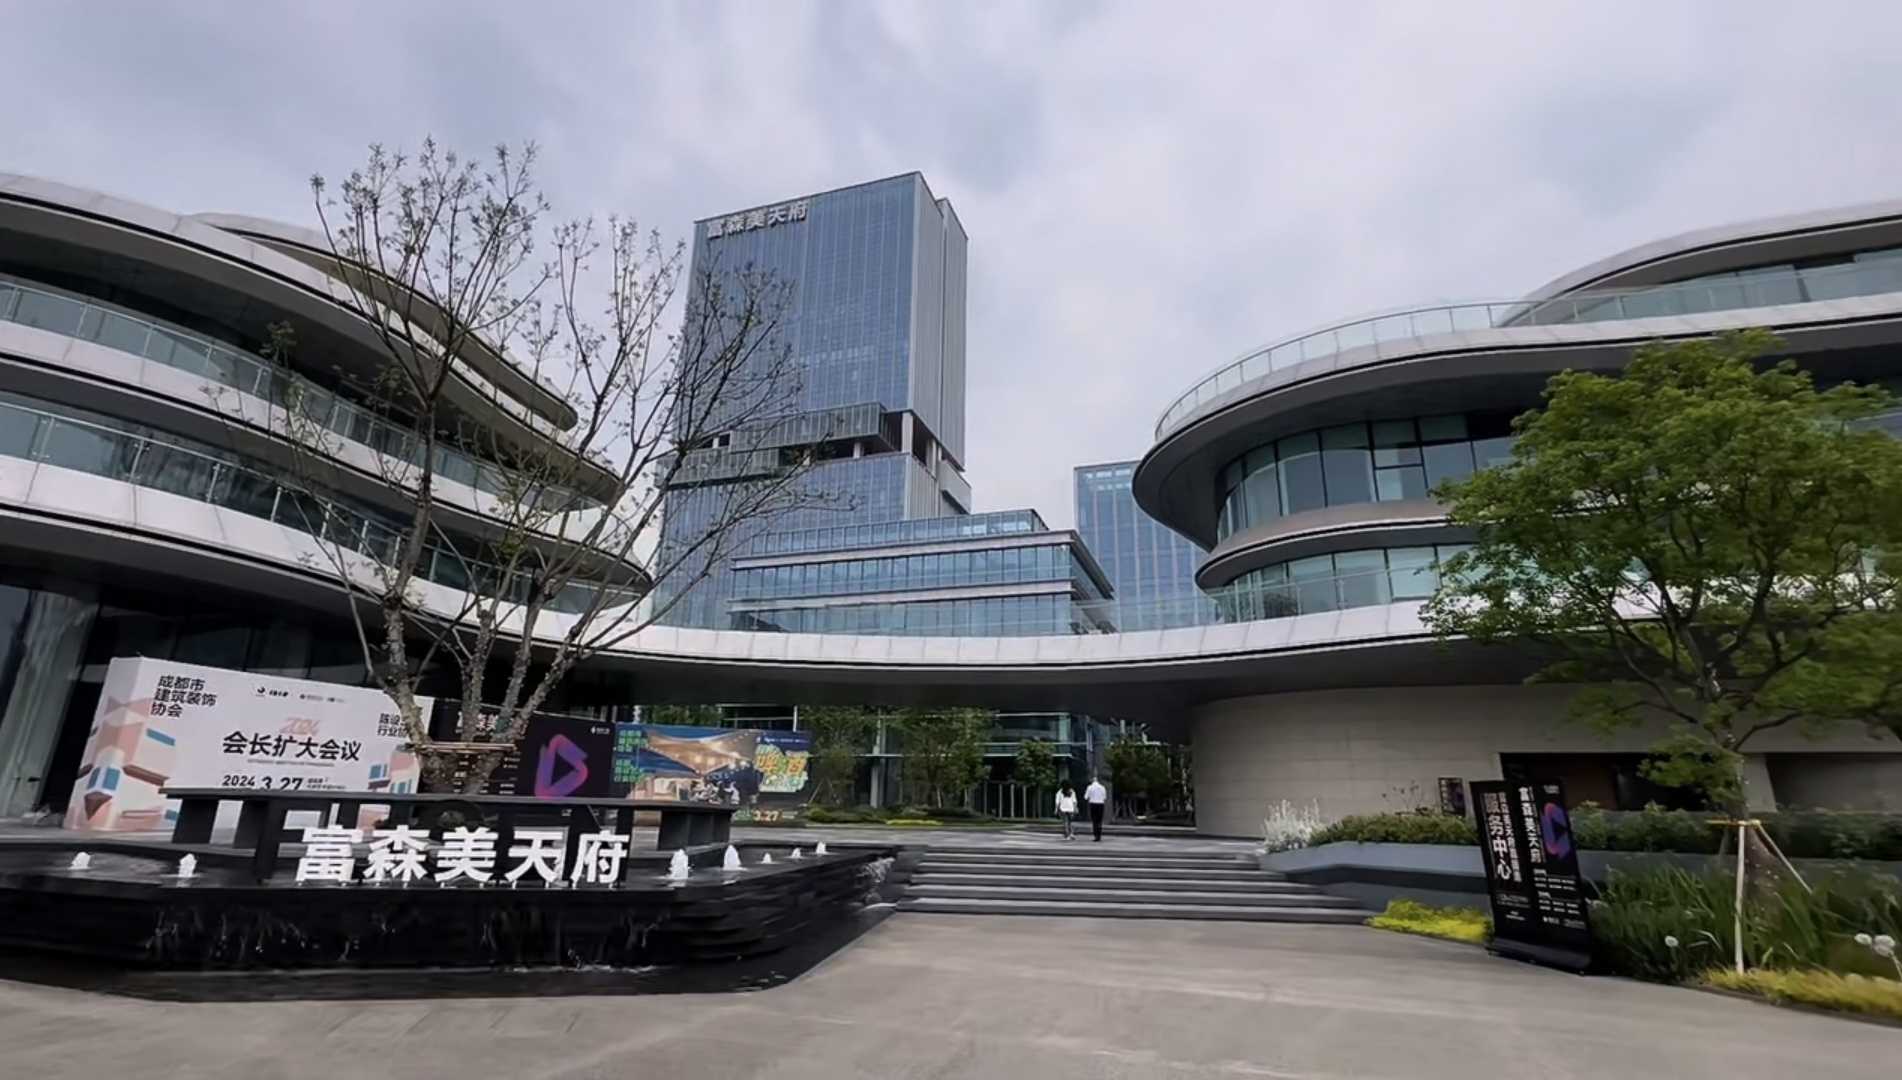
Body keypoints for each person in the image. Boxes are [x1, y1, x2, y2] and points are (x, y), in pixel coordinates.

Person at [1083, 776, 1108, 841]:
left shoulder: (1089, 787)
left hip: (1093, 804)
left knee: (1094, 820)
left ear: (1092, 780)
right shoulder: (1102, 787)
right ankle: (1099, 834)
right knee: (1099, 820)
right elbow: (1104, 797)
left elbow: (1086, 797)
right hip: (1100, 804)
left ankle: (1095, 834)